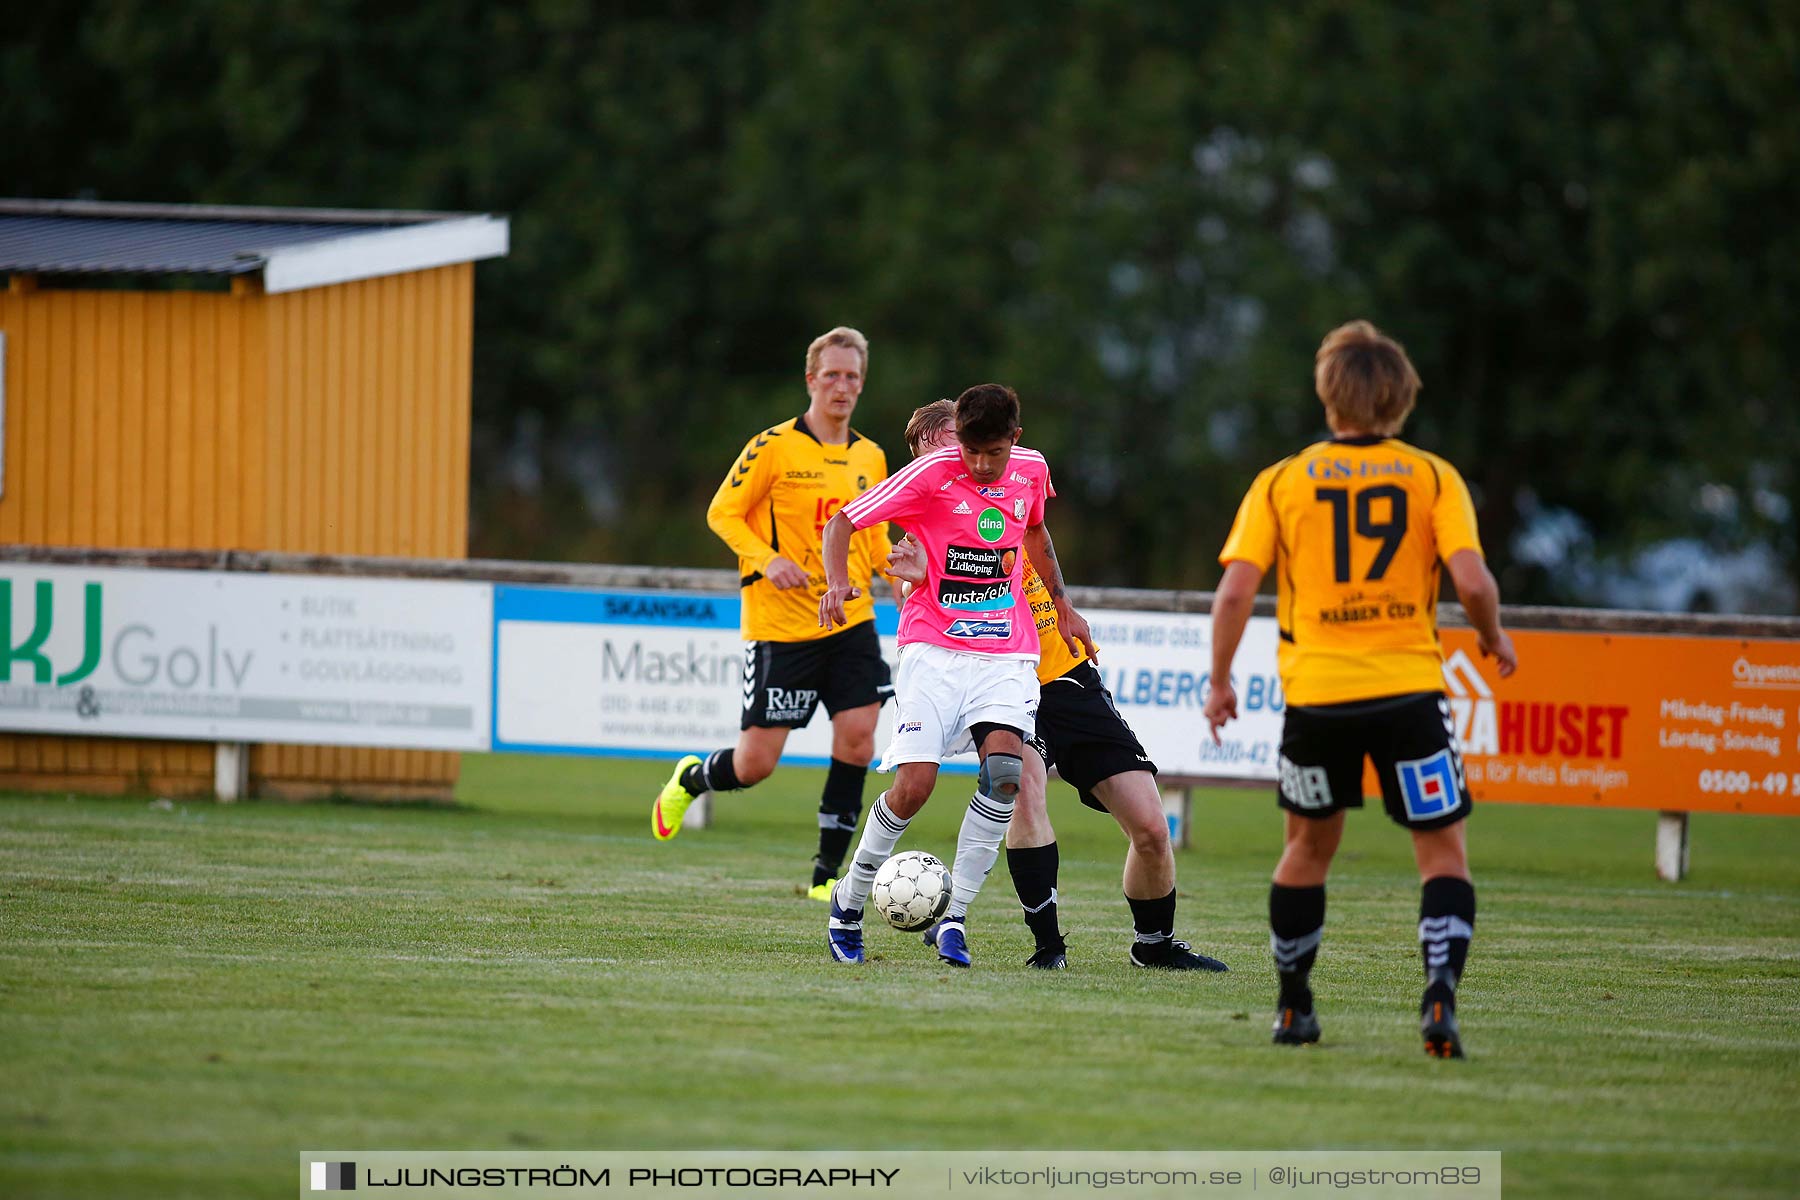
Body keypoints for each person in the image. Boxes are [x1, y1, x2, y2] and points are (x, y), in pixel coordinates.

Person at [1205, 319, 1518, 1058]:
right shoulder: (1433, 476)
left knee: (1306, 852)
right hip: (1410, 694)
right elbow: (1472, 580)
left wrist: (1220, 682)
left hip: (1317, 697)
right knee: (1442, 856)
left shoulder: (1282, 481)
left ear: (1326, 395)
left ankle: (1292, 1007)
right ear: (1403, 399)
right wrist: (1493, 635)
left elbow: (1231, 597)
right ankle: (1440, 993)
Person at [889, 400, 1226, 972]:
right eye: (942, 447)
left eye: (961, 442)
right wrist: (925, 579)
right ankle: (1048, 946)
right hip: (1000, 678)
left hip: (1067, 673)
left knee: (1149, 824)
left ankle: (1154, 946)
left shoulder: (1008, 485)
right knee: (1023, 789)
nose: (958, 456)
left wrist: (1066, 608)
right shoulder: (919, 520)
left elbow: (1040, 545)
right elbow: (918, 603)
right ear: (921, 459)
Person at [818, 383, 1094, 968]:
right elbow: (842, 521)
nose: (979, 464)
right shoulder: (934, 473)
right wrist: (838, 581)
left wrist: (1063, 605)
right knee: (915, 788)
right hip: (934, 652)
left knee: (1004, 775)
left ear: (1013, 441)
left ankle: (955, 918)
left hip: (1006, 653)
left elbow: (1037, 534)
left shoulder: (1031, 471)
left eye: (991, 452)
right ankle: (849, 900)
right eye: (969, 451)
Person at [652, 327, 894, 901]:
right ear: (811, 380)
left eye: (852, 376)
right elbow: (722, 513)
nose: (842, 386)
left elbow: (876, 535)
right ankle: (692, 778)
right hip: (782, 628)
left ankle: (828, 876)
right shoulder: (773, 446)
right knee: (757, 764)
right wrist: (767, 560)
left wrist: (899, 574)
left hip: (851, 618)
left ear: (862, 384)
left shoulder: (870, 455)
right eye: (832, 375)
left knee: (859, 740)